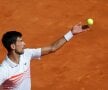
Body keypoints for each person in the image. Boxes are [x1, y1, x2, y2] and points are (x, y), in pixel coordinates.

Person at [0, 23, 89, 90]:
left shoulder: (26, 54)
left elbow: (52, 48)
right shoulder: (4, 70)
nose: (24, 43)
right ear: (13, 46)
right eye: (21, 41)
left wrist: (71, 33)